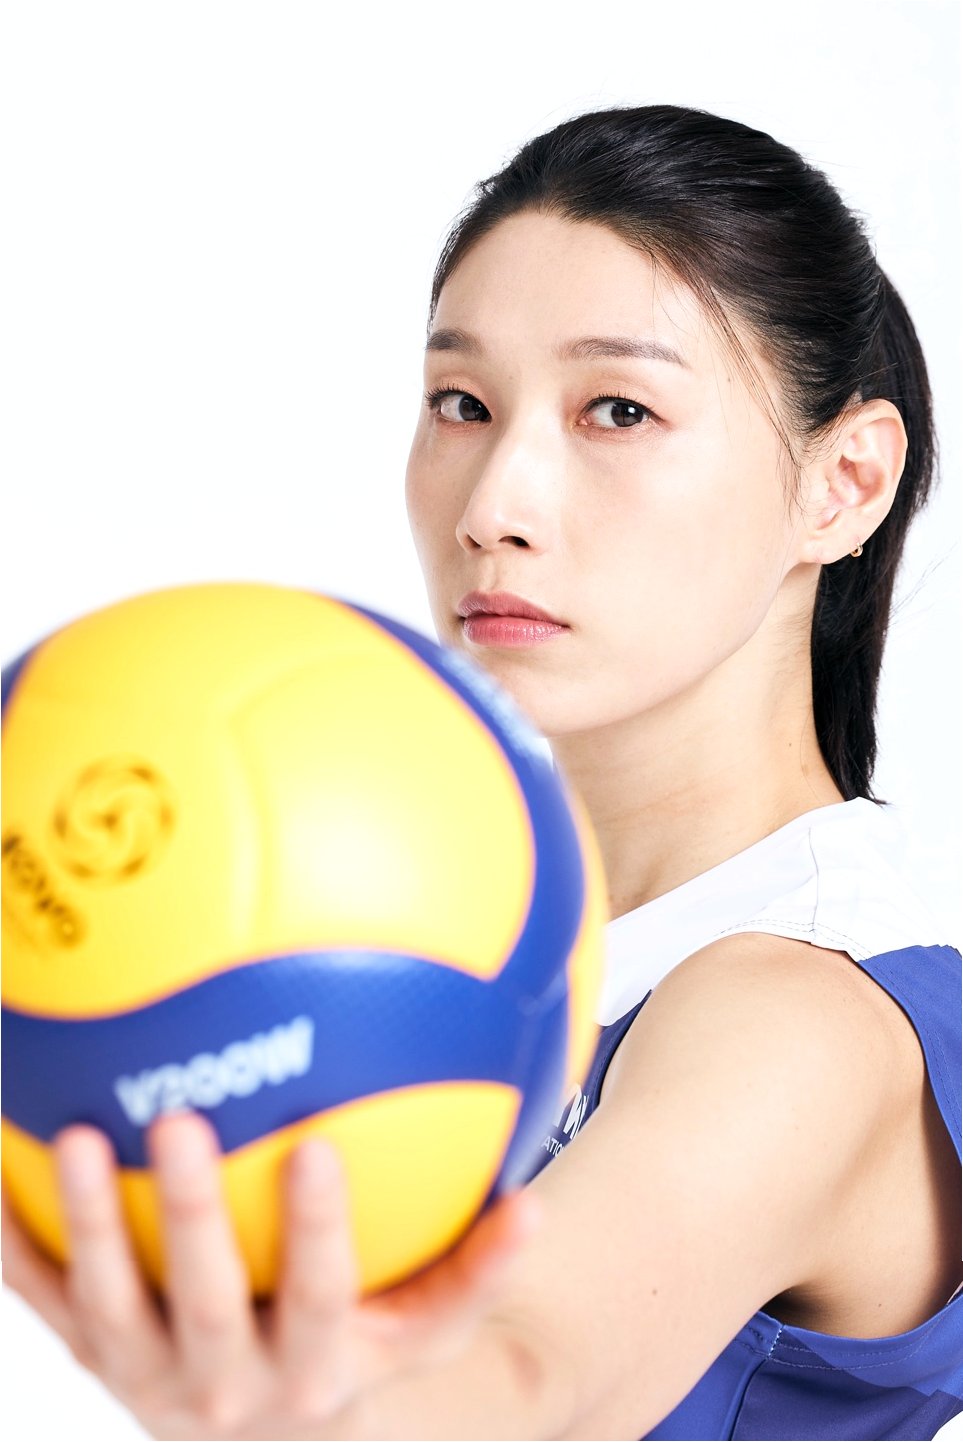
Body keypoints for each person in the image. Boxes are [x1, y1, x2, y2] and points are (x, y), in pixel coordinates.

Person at [3, 103, 961, 1440]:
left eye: (618, 410)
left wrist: (320, 1413)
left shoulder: (802, 1009)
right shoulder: (406, 928)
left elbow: (526, 1371)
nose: (493, 506)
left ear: (845, 482)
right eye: (463, 404)